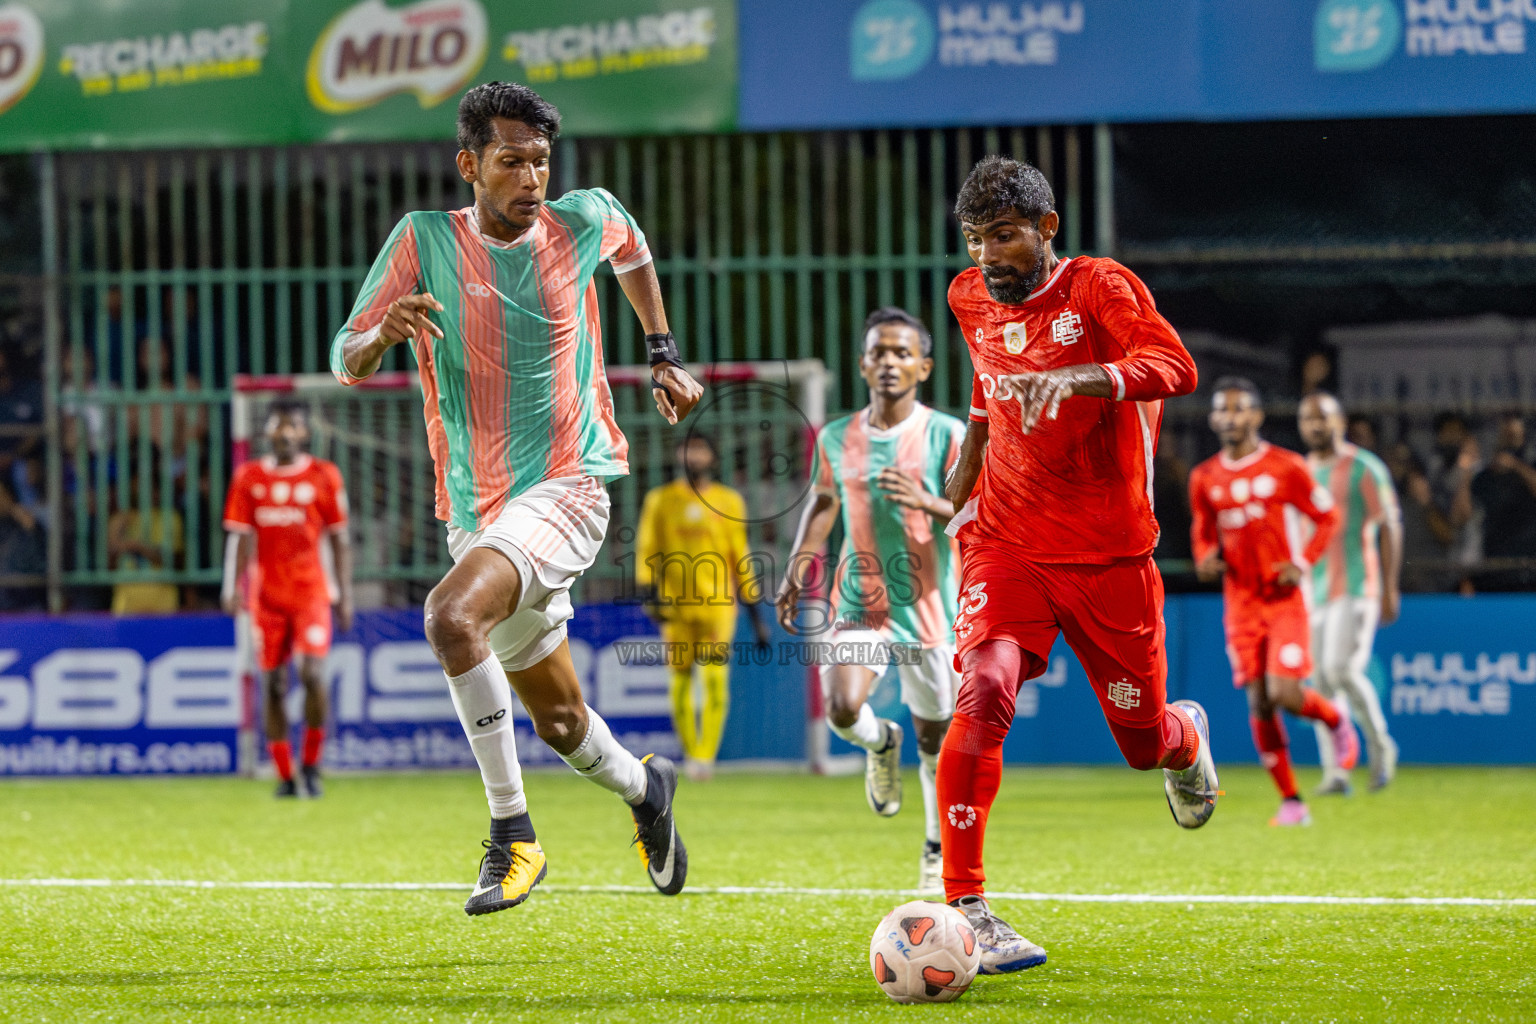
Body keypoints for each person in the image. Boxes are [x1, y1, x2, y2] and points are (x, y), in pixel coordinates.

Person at [330, 81, 704, 916]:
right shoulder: (422, 241)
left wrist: (662, 349)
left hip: (573, 481)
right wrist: (380, 337)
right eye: (510, 161)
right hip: (479, 510)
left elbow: (633, 247)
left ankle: (514, 837)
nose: (530, 177)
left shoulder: (580, 219)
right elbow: (343, 356)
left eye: (540, 160)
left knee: (449, 617)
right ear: (469, 165)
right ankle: (647, 789)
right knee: (563, 722)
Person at [937, 156, 1219, 973]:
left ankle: (1183, 737)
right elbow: (987, 397)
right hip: (1006, 541)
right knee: (983, 688)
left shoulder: (1102, 288)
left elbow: (1175, 367)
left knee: (1139, 741)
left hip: (1109, 557)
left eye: (1004, 237)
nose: (988, 257)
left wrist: (1081, 378)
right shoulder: (968, 297)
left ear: (1046, 229)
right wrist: (953, 490)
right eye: (975, 240)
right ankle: (970, 908)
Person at [775, 306, 965, 894]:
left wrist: (927, 500)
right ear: (863, 364)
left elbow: (975, 510)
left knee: (937, 743)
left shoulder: (948, 435)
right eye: (879, 352)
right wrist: (798, 561)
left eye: (902, 353)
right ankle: (880, 741)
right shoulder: (838, 436)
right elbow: (825, 502)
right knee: (840, 705)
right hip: (862, 601)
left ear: (924, 367)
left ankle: (935, 847)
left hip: (932, 608)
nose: (889, 362)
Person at [1190, 378, 1355, 827]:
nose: (1230, 417)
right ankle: (1292, 801)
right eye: (1222, 410)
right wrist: (1205, 556)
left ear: (1257, 416)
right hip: (1240, 603)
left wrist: (1302, 561)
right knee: (1260, 702)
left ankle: (1335, 719)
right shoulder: (1204, 476)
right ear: (1213, 420)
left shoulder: (1285, 466)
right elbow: (1203, 528)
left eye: (1240, 409)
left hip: (1283, 600)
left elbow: (1327, 516)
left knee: (1285, 693)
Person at [221, 401, 354, 799]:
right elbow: (239, 537)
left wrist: (344, 595)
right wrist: (231, 586)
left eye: (292, 426)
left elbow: (340, 538)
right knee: (273, 684)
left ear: (304, 432)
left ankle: (311, 766)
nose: (285, 434)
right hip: (266, 599)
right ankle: (284, 774)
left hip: (312, 593)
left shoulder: (324, 476)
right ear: (267, 433)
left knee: (313, 675)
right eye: (278, 427)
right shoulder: (249, 477)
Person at [635, 434, 770, 782]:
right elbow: (648, 550)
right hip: (676, 608)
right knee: (679, 683)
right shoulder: (660, 500)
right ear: (677, 455)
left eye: (700, 448)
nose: (693, 455)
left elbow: (740, 556)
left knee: (713, 682)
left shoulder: (729, 501)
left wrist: (755, 614)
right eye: (686, 448)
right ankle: (690, 750)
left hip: (719, 607)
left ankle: (704, 758)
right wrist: (650, 596)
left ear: (712, 456)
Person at [1298, 393, 1402, 794]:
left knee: (1340, 670)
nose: (1315, 426)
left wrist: (1391, 586)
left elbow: (1390, 525)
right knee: (1320, 683)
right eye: (1308, 420)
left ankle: (1380, 746)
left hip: (1358, 587)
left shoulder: (1363, 468)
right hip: (1314, 590)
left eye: (1322, 418)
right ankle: (1336, 771)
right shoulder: (1302, 471)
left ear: (1340, 422)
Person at [1467, 413, 1536, 591]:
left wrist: (1515, 465)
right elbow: (1461, 516)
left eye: (1513, 431)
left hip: (1529, 569)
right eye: (1504, 429)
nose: (1508, 433)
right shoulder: (1484, 477)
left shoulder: (1529, 468)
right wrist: (1466, 471)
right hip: (1494, 569)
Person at [108, 455, 183, 615]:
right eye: (137, 485)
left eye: (149, 486)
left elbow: (173, 560)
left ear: (158, 490)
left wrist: (139, 547)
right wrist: (117, 532)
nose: (142, 490)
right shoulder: (120, 519)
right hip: (125, 605)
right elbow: (109, 562)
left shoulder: (170, 518)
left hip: (163, 605)